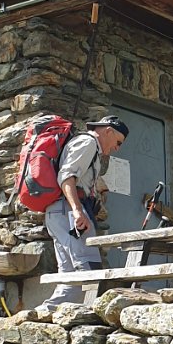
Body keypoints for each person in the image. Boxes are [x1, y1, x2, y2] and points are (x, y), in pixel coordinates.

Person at [40, 115, 129, 313]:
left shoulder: (87, 144)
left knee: (70, 273)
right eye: (118, 142)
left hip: (59, 211)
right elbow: (67, 177)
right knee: (87, 269)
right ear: (108, 131)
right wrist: (77, 210)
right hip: (68, 211)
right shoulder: (88, 143)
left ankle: (47, 313)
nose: (117, 148)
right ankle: (79, 315)